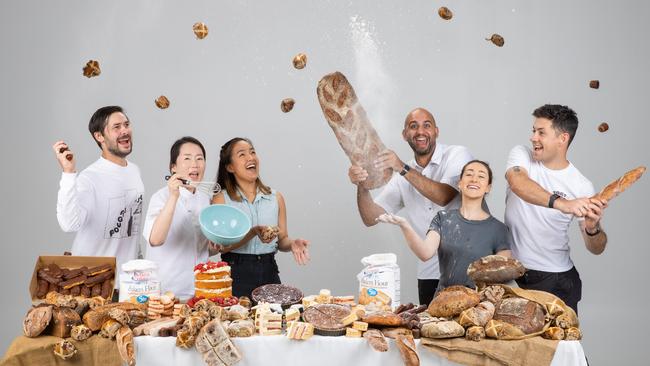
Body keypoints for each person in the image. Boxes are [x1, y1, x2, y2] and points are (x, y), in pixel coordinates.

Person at [348, 107, 474, 305]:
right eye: (413, 126)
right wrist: (362, 187)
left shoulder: (457, 155)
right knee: (429, 332)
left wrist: (402, 168)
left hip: (467, 270)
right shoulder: (402, 176)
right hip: (429, 272)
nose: (420, 132)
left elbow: (444, 196)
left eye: (427, 125)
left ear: (436, 131)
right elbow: (370, 218)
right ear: (405, 134)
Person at [505, 104, 608, 313]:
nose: (533, 138)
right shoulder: (522, 155)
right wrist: (562, 203)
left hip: (556, 280)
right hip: (513, 274)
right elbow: (518, 183)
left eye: (541, 132)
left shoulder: (581, 185)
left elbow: (595, 248)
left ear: (563, 139)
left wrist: (592, 228)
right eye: (534, 130)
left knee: (562, 345)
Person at [378, 160, 512, 293]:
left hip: (479, 306)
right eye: (469, 174)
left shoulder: (498, 229)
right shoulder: (443, 219)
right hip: (443, 303)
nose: (474, 179)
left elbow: (502, 274)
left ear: (488, 187)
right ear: (459, 183)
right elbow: (425, 253)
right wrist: (404, 225)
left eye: (481, 176)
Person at [210, 137, 310, 298]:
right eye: (242, 154)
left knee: (274, 321)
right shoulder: (221, 200)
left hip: (269, 270)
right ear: (230, 167)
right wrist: (253, 232)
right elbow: (220, 247)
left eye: (252, 152)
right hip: (234, 273)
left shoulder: (276, 197)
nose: (251, 157)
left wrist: (292, 244)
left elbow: (282, 239)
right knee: (236, 322)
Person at [53, 105, 144, 273]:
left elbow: (132, 228)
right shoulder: (89, 178)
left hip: (127, 282)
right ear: (99, 136)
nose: (125, 131)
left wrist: (139, 263)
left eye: (126, 124)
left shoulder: (134, 171)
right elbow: (68, 224)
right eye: (116, 127)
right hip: (93, 281)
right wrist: (68, 172)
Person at [143, 136, 217, 301]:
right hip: (167, 292)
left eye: (200, 158)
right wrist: (173, 196)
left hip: (200, 292)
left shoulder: (205, 199)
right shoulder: (161, 197)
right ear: (173, 167)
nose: (195, 164)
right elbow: (155, 239)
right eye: (187, 158)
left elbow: (202, 248)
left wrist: (215, 246)